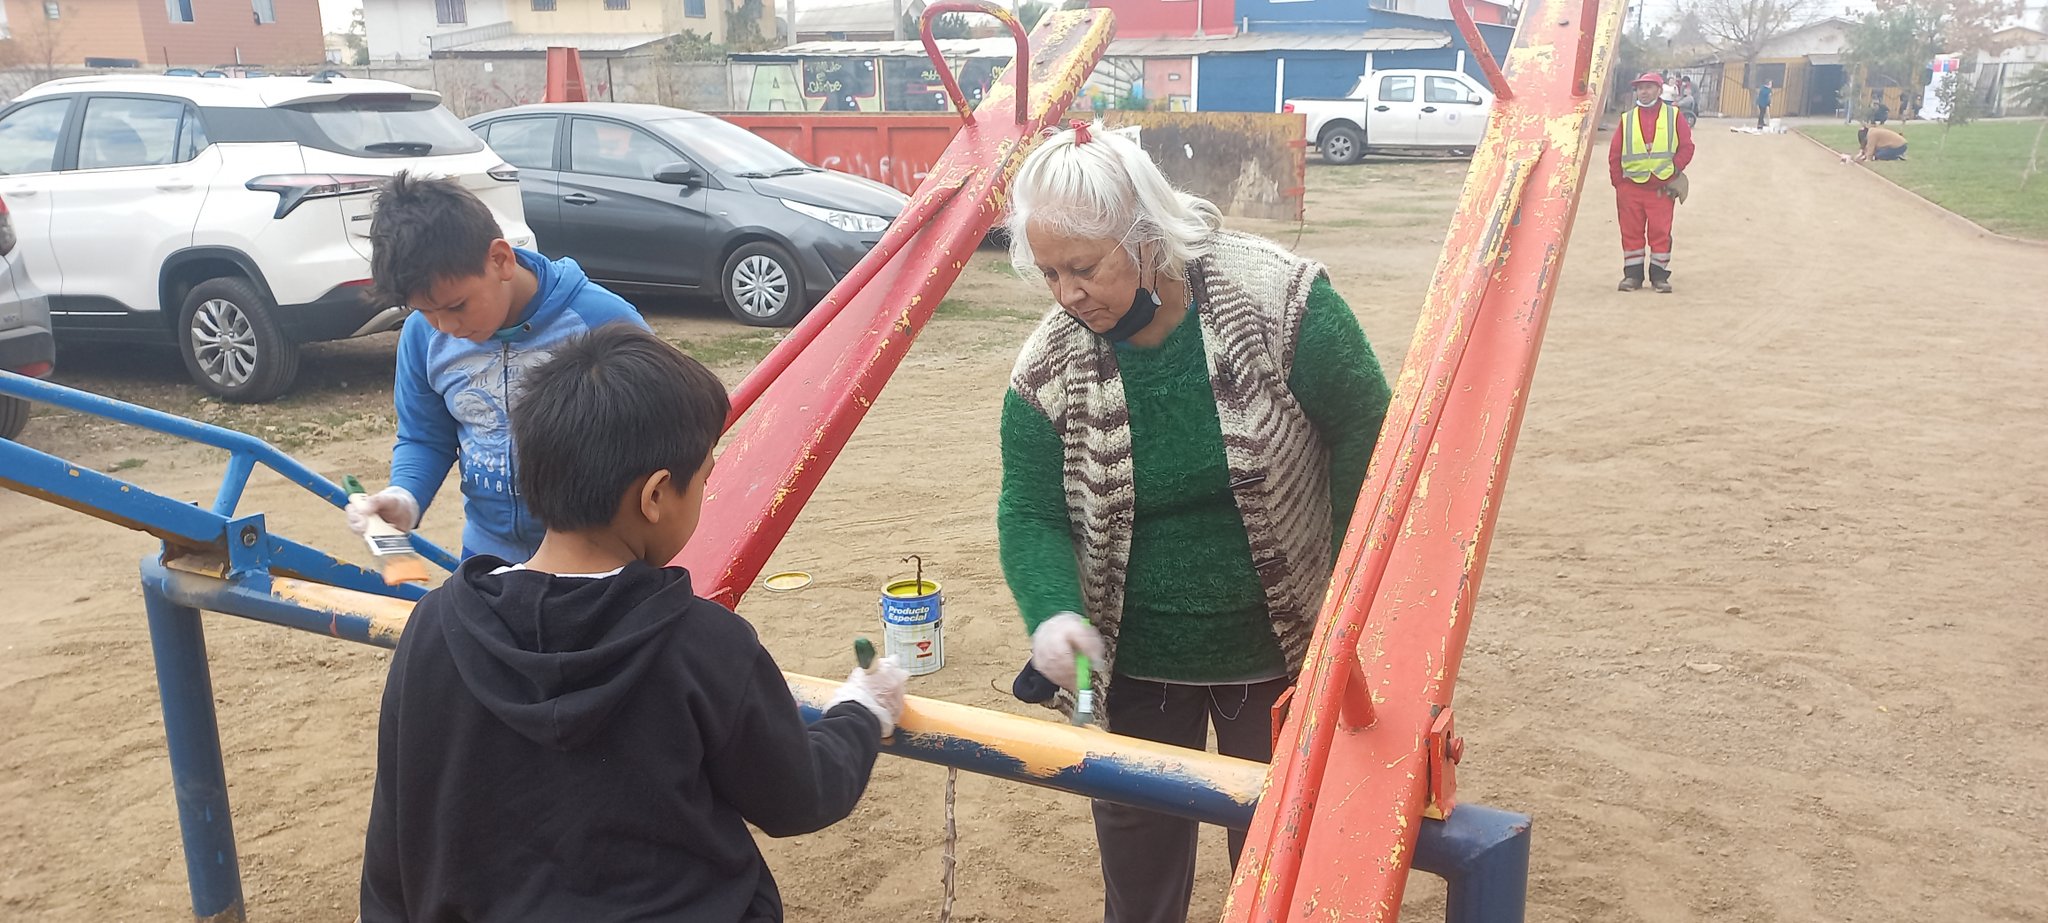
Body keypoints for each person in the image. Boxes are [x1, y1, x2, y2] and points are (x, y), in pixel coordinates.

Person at [359, 324, 910, 921]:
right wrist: (863, 710)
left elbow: (395, 832)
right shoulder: (704, 646)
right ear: (654, 497)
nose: (706, 490)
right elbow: (799, 796)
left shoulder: (435, 627)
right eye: (703, 476)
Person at [996, 122, 1393, 923]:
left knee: (1278, 854)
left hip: (1275, 651)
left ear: (1147, 238)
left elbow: (1366, 420)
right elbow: (1031, 508)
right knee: (1139, 873)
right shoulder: (1048, 365)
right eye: (1048, 272)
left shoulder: (1277, 299)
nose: (1067, 293)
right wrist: (1053, 609)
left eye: (1085, 266)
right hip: (1139, 658)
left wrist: (1351, 580)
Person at [344, 172, 648, 562]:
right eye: (425, 310)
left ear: (500, 259)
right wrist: (404, 496)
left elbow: (659, 439)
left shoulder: (602, 322)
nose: (447, 327)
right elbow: (425, 437)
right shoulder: (422, 336)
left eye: (457, 306)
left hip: (596, 558)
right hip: (488, 554)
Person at [1611, 71, 1695, 294]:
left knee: (1660, 232)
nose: (1644, 92)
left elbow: (1687, 147)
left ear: (1659, 90)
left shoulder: (1674, 116)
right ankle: (1632, 276)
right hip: (1631, 188)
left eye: (1648, 87)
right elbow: (1615, 154)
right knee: (1631, 232)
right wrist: (1618, 184)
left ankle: (1659, 276)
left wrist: (1674, 170)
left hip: (1661, 188)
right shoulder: (1626, 119)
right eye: (1640, 88)